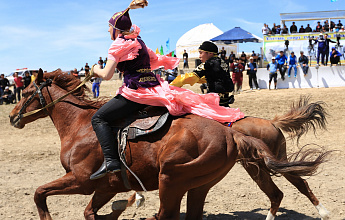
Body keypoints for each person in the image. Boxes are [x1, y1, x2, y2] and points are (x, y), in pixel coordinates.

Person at [90, 2, 243, 180]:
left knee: (98, 118)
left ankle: (111, 161)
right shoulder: (139, 41)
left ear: (116, 29)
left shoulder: (118, 44)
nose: (108, 31)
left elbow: (107, 75)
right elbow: (153, 61)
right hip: (154, 88)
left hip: (136, 92)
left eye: (109, 28)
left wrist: (94, 70)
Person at [172, 41, 235, 106]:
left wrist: (170, 86)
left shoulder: (208, 64)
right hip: (225, 101)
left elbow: (187, 78)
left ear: (210, 53)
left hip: (214, 102)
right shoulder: (222, 62)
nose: (199, 56)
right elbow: (213, 79)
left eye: (201, 53)